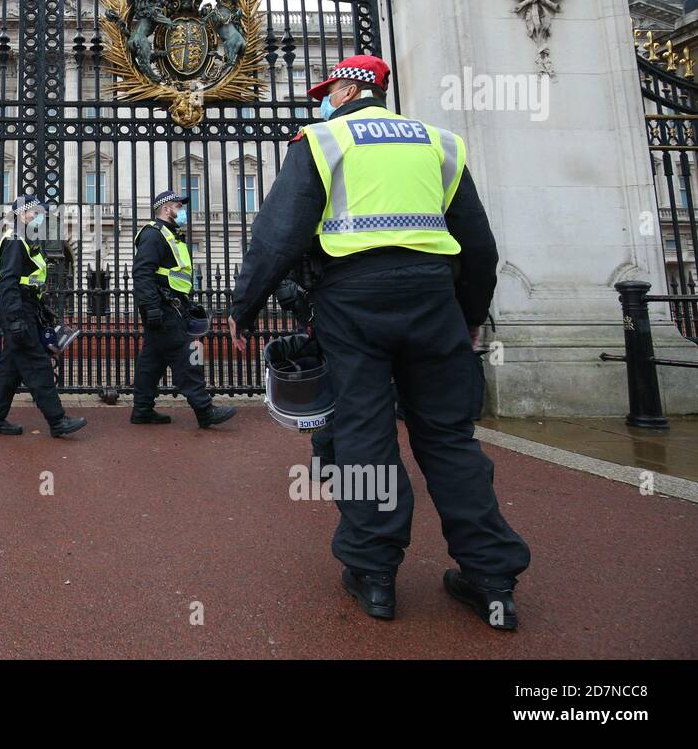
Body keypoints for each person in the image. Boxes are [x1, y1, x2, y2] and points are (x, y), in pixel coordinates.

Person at [228, 54, 530, 629]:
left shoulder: (322, 141)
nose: (323, 98)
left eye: (327, 89)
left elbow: (277, 236)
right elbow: (480, 247)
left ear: (344, 88)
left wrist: (244, 308)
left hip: (352, 301)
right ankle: (491, 578)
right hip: (433, 299)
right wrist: (470, 314)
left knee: (363, 434)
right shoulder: (438, 143)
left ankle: (374, 575)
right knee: (449, 437)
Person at [0, 195, 87, 438]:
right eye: (35, 212)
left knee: (9, 371)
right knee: (39, 364)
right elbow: (8, 283)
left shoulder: (27, 242)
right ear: (21, 214)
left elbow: (29, 282)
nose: (39, 216)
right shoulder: (15, 241)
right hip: (18, 310)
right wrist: (16, 318)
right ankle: (57, 421)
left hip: (26, 307)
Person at [131, 189, 236, 429]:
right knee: (187, 357)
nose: (183, 211)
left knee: (152, 360)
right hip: (164, 308)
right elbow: (142, 273)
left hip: (172, 306)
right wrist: (151, 307)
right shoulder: (153, 235)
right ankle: (204, 410)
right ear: (166, 209)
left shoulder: (171, 236)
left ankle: (142, 409)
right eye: (179, 206)